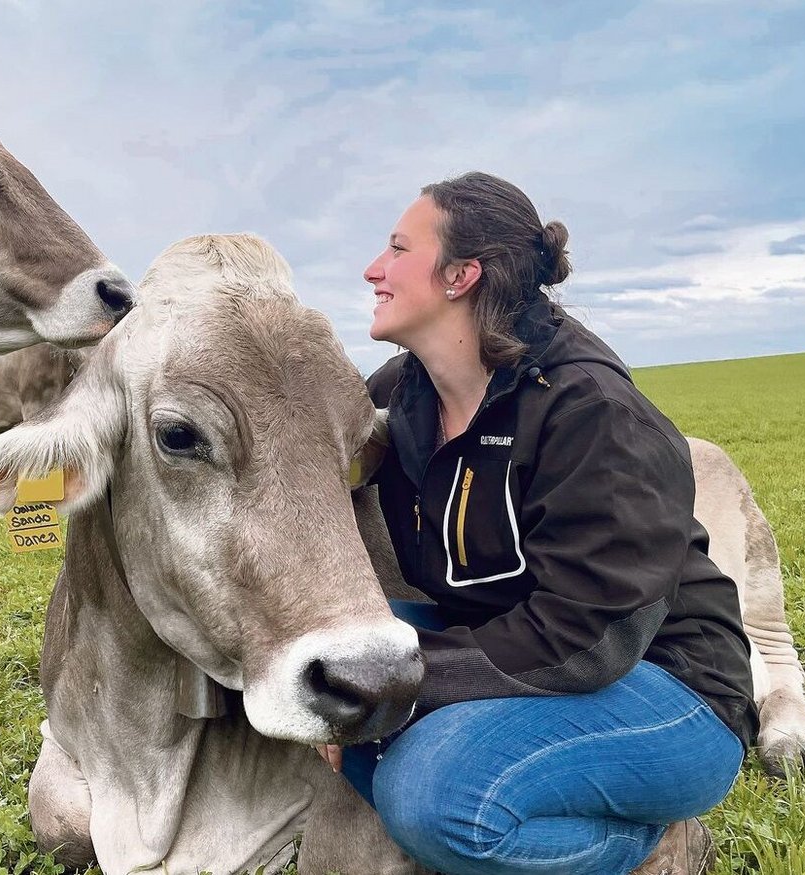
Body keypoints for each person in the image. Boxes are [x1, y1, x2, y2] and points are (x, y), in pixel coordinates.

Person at [324, 172, 756, 875]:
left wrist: (399, 685)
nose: (374, 269)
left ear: (461, 275)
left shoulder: (593, 412)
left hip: (667, 686)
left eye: (399, 249)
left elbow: (588, 639)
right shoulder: (406, 394)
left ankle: (652, 846)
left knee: (429, 795)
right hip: (516, 646)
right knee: (322, 654)